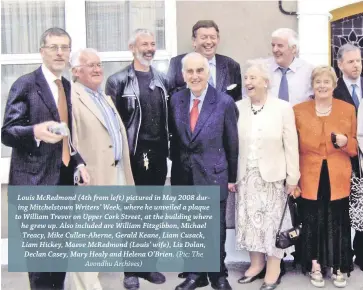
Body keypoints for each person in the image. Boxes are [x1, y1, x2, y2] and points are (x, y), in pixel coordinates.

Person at [1, 27, 90, 290]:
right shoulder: (26, 84)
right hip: (35, 186)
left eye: (65, 47)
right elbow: (7, 132)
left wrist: (79, 163)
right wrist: (35, 132)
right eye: (54, 47)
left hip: (63, 184)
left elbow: (67, 136)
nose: (60, 53)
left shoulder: (67, 86)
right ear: (42, 51)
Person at [66, 48, 135, 290]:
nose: (98, 70)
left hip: (114, 174)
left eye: (99, 65)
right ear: (76, 71)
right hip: (92, 180)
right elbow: (69, 142)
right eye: (91, 65)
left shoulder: (103, 97)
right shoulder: (71, 98)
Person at [169, 52, 238, 290]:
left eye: (200, 71)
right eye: (190, 71)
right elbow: (175, 140)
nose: (195, 76)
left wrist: (231, 178)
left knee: (214, 228)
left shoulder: (223, 102)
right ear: (183, 75)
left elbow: (232, 143)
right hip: (184, 175)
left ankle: (218, 275)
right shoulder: (176, 100)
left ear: (208, 73)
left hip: (213, 174)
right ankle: (195, 274)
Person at [105, 28, 167, 290]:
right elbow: (111, 124)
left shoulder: (163, 79)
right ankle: (130, 270)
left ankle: (148, 266)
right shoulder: (118, 80)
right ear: (132, 47)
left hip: (158, 156)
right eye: (144, 44)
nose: (149, 48)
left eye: (153, 44)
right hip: (132, 156)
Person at [234, 59, 300, 290]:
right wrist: (233, 176)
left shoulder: (283, 107)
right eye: (246, 78)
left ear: (266, 82)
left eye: (253, 78)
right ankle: (256, 264)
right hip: (246, 176)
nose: (247, 82)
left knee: (273, 224)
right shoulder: (238, 107)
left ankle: (274, 268)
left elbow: (291, 144)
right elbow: (232, 145)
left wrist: (293, 178)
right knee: (251, 222)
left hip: (273, 177)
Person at [294, 65, 357, 288]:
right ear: (312, 85)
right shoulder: (298, 110)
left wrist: (346, 142)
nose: (322, 86)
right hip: (309, 175)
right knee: (312, 221)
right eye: (318, 82)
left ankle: (339, 267)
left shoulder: (347, 109)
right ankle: (316, 267)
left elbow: (354, 147)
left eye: (326, 82)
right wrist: (292, 179)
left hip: (338, 175)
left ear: (334, 85)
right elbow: (292, 147)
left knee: (337, 222)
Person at [333, 43, 363, 271]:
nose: (357, 65)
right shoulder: (334, 91)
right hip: (343, 156)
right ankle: (344, 257)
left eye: (359, 61)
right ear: (340, 63)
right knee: (344, 208)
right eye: (351, 61)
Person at [167, 20, 242, 102]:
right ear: (194, 41)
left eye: (213, 37)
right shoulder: (177, 63)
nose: (209, 42)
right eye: (204, 38)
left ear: (218, 39)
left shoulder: (231, 65)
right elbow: (170, 98)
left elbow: (237, 102)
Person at [267, 28, 314, 105]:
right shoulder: (262, 69)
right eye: (273, 45)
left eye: (280, 46)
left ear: (293, 48)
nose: (275, 50)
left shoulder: (309, 71)